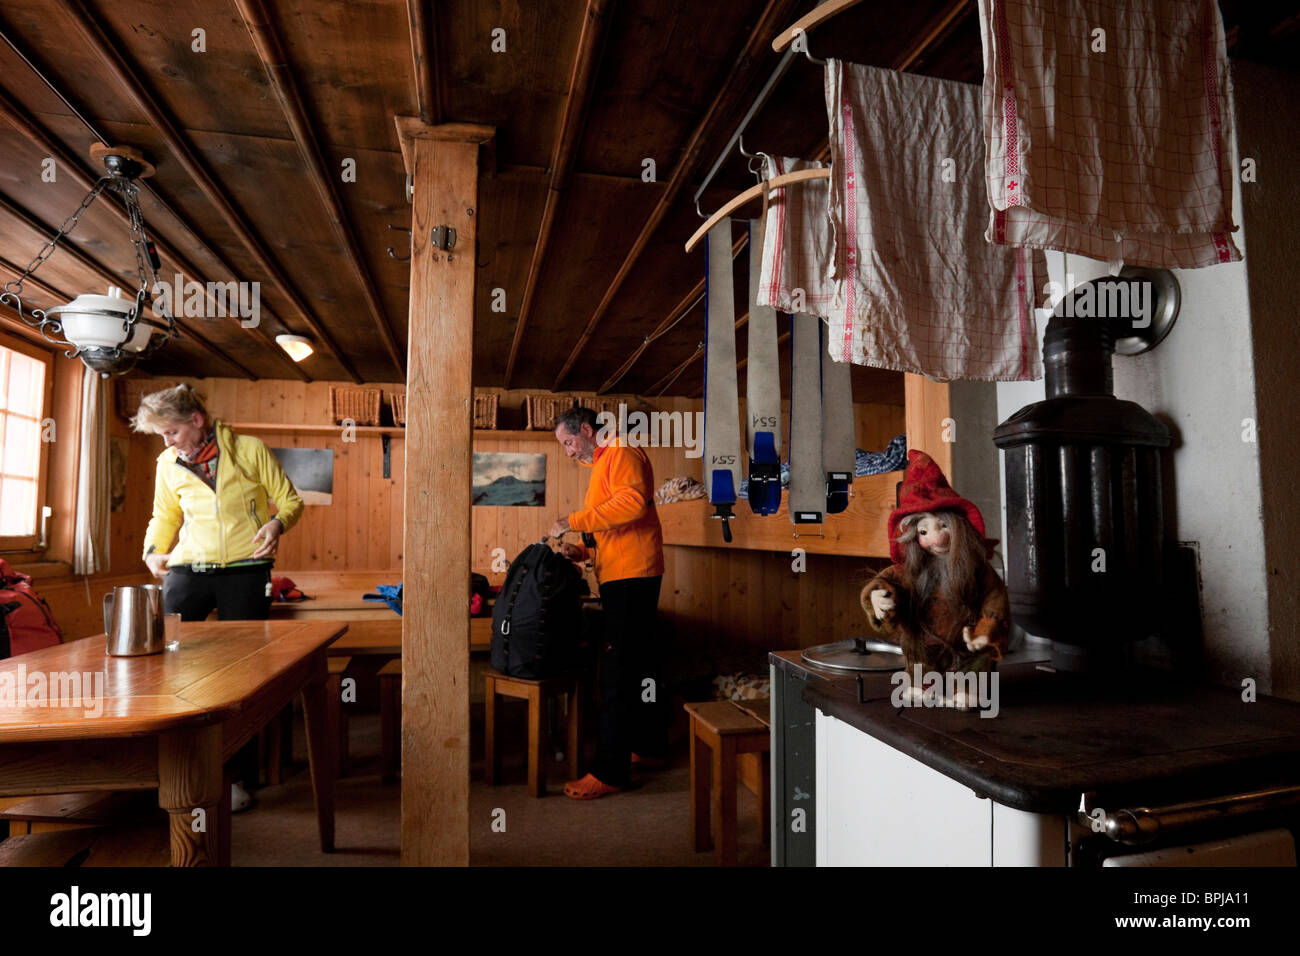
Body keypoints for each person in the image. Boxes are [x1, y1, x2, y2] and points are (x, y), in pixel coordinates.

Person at [132, 384, 304, 809]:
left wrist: (277, 525)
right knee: (165, 667)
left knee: (241, 676)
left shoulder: (248, 450)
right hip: (189, 569)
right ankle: (170, 771)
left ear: (196, 421)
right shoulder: (167, 462)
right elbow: (164, 515)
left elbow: (289, 500)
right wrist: (153, 552)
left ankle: (233, 777)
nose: (167, 442)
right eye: (160, 435)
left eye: (171, 432)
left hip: (246, 571)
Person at [551, 406, 666, 800]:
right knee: (642, 663)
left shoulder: (620, 450)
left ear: (586, 429)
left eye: (568, 442)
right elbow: (612, 526)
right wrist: (581, 553)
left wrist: (574, 520)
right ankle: (649, 748)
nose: (568, 452)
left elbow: (633, 504)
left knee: (617, 673)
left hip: (632, 576)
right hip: (625, 572)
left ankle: (608, 772)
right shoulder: (603, 461)